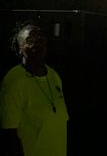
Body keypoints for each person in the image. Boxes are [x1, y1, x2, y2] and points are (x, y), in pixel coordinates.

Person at [0, 23, 69, 156]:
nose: (37, 45)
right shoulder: (14, 80)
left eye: (41, 40)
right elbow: (9, 133)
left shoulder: (54, 76)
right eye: (30, 41)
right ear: (20, 48)